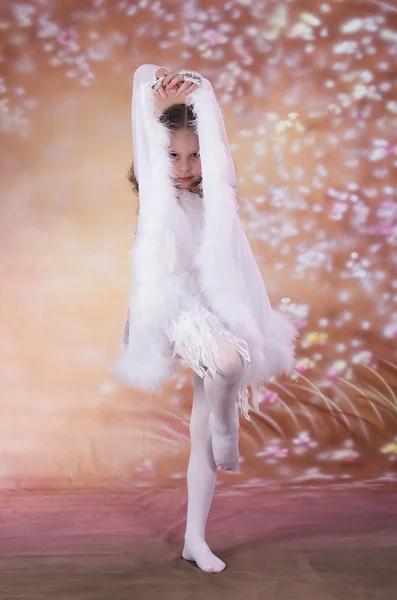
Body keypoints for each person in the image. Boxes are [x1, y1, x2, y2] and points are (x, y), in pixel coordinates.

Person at [111, 65, 299, 573]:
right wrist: (154, 88)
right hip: (176, 308)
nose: (186, 166)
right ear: (157, 156)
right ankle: (226, 423)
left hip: (217, 304)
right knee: (228, 363)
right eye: (173, 155)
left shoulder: (219, 197)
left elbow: (220, 161)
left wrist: (206, 95)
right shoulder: (157, 196)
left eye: (195, 155)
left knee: (204, 422)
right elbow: (142, 98)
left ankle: (195, 536)